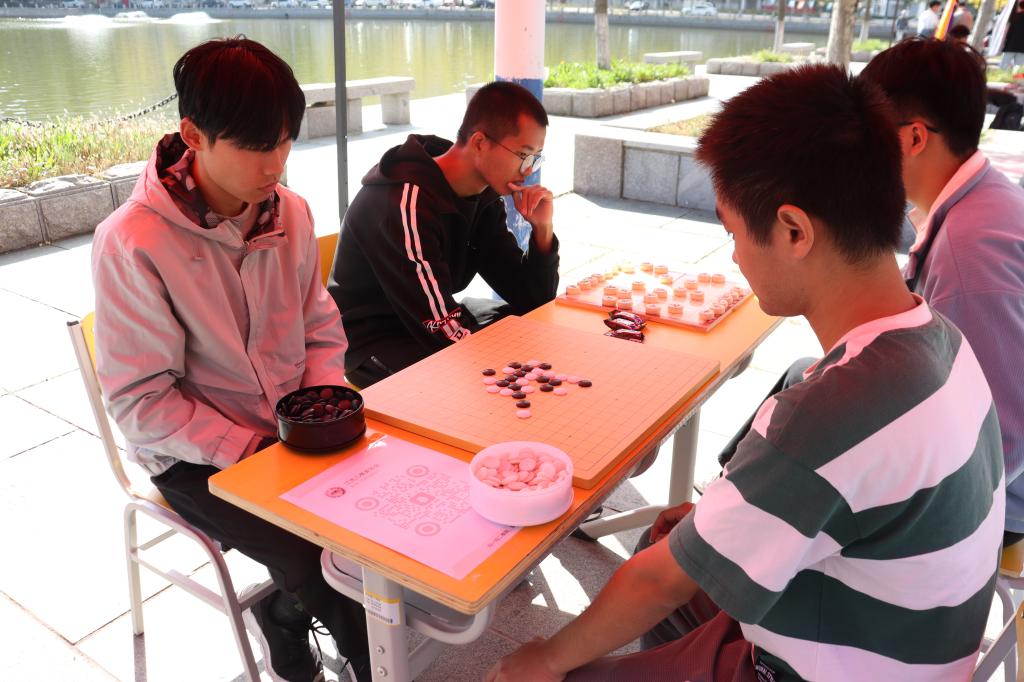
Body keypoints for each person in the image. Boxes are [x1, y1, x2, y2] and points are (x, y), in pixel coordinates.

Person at [486, 64, 1004, 682]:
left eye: (732, 231)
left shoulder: (830, 411)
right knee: (668, 542)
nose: (734, 254)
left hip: (833, 668)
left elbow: (658, 584)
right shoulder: (938, 336)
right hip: (904, 640)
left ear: (794, 231)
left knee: (551, 669)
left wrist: (542, 657)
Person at [91, 38, 370, 682]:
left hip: (290, 427)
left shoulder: (290, 213)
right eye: (254, 145)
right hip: (194, 457)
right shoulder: (133, 243)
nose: (276, 163)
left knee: (383, 520)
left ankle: (288, 611)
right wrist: (248, 449)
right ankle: (351, 647)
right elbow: (140, 403)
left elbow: (319, 326)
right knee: (324, 562)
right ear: (194, 135)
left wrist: (320, 406)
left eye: (284, 140)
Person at [861, 37, 1024, 544]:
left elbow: (1000, 440)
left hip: (995, 506)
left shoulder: (968, 256)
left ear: (914, 137)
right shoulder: (985, 199)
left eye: (867, 134)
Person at [327, 81, 559, 388]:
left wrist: (542, 231)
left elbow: (533, 299)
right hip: (376, 341)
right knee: (480, 384)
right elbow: (439, 327)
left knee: (527, 332)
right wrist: (509, 370)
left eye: (536, 158)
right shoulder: (405, 203)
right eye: (523, 155)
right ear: (479, 142)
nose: (528, 170)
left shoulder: (484, 196)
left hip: (429, 321)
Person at [1002, 0, 1024, 68]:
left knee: (1004, 67)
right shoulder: (1012, 16)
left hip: (1013, 47)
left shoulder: (1012, 16)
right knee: (1017, 68)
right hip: (1014, 47)